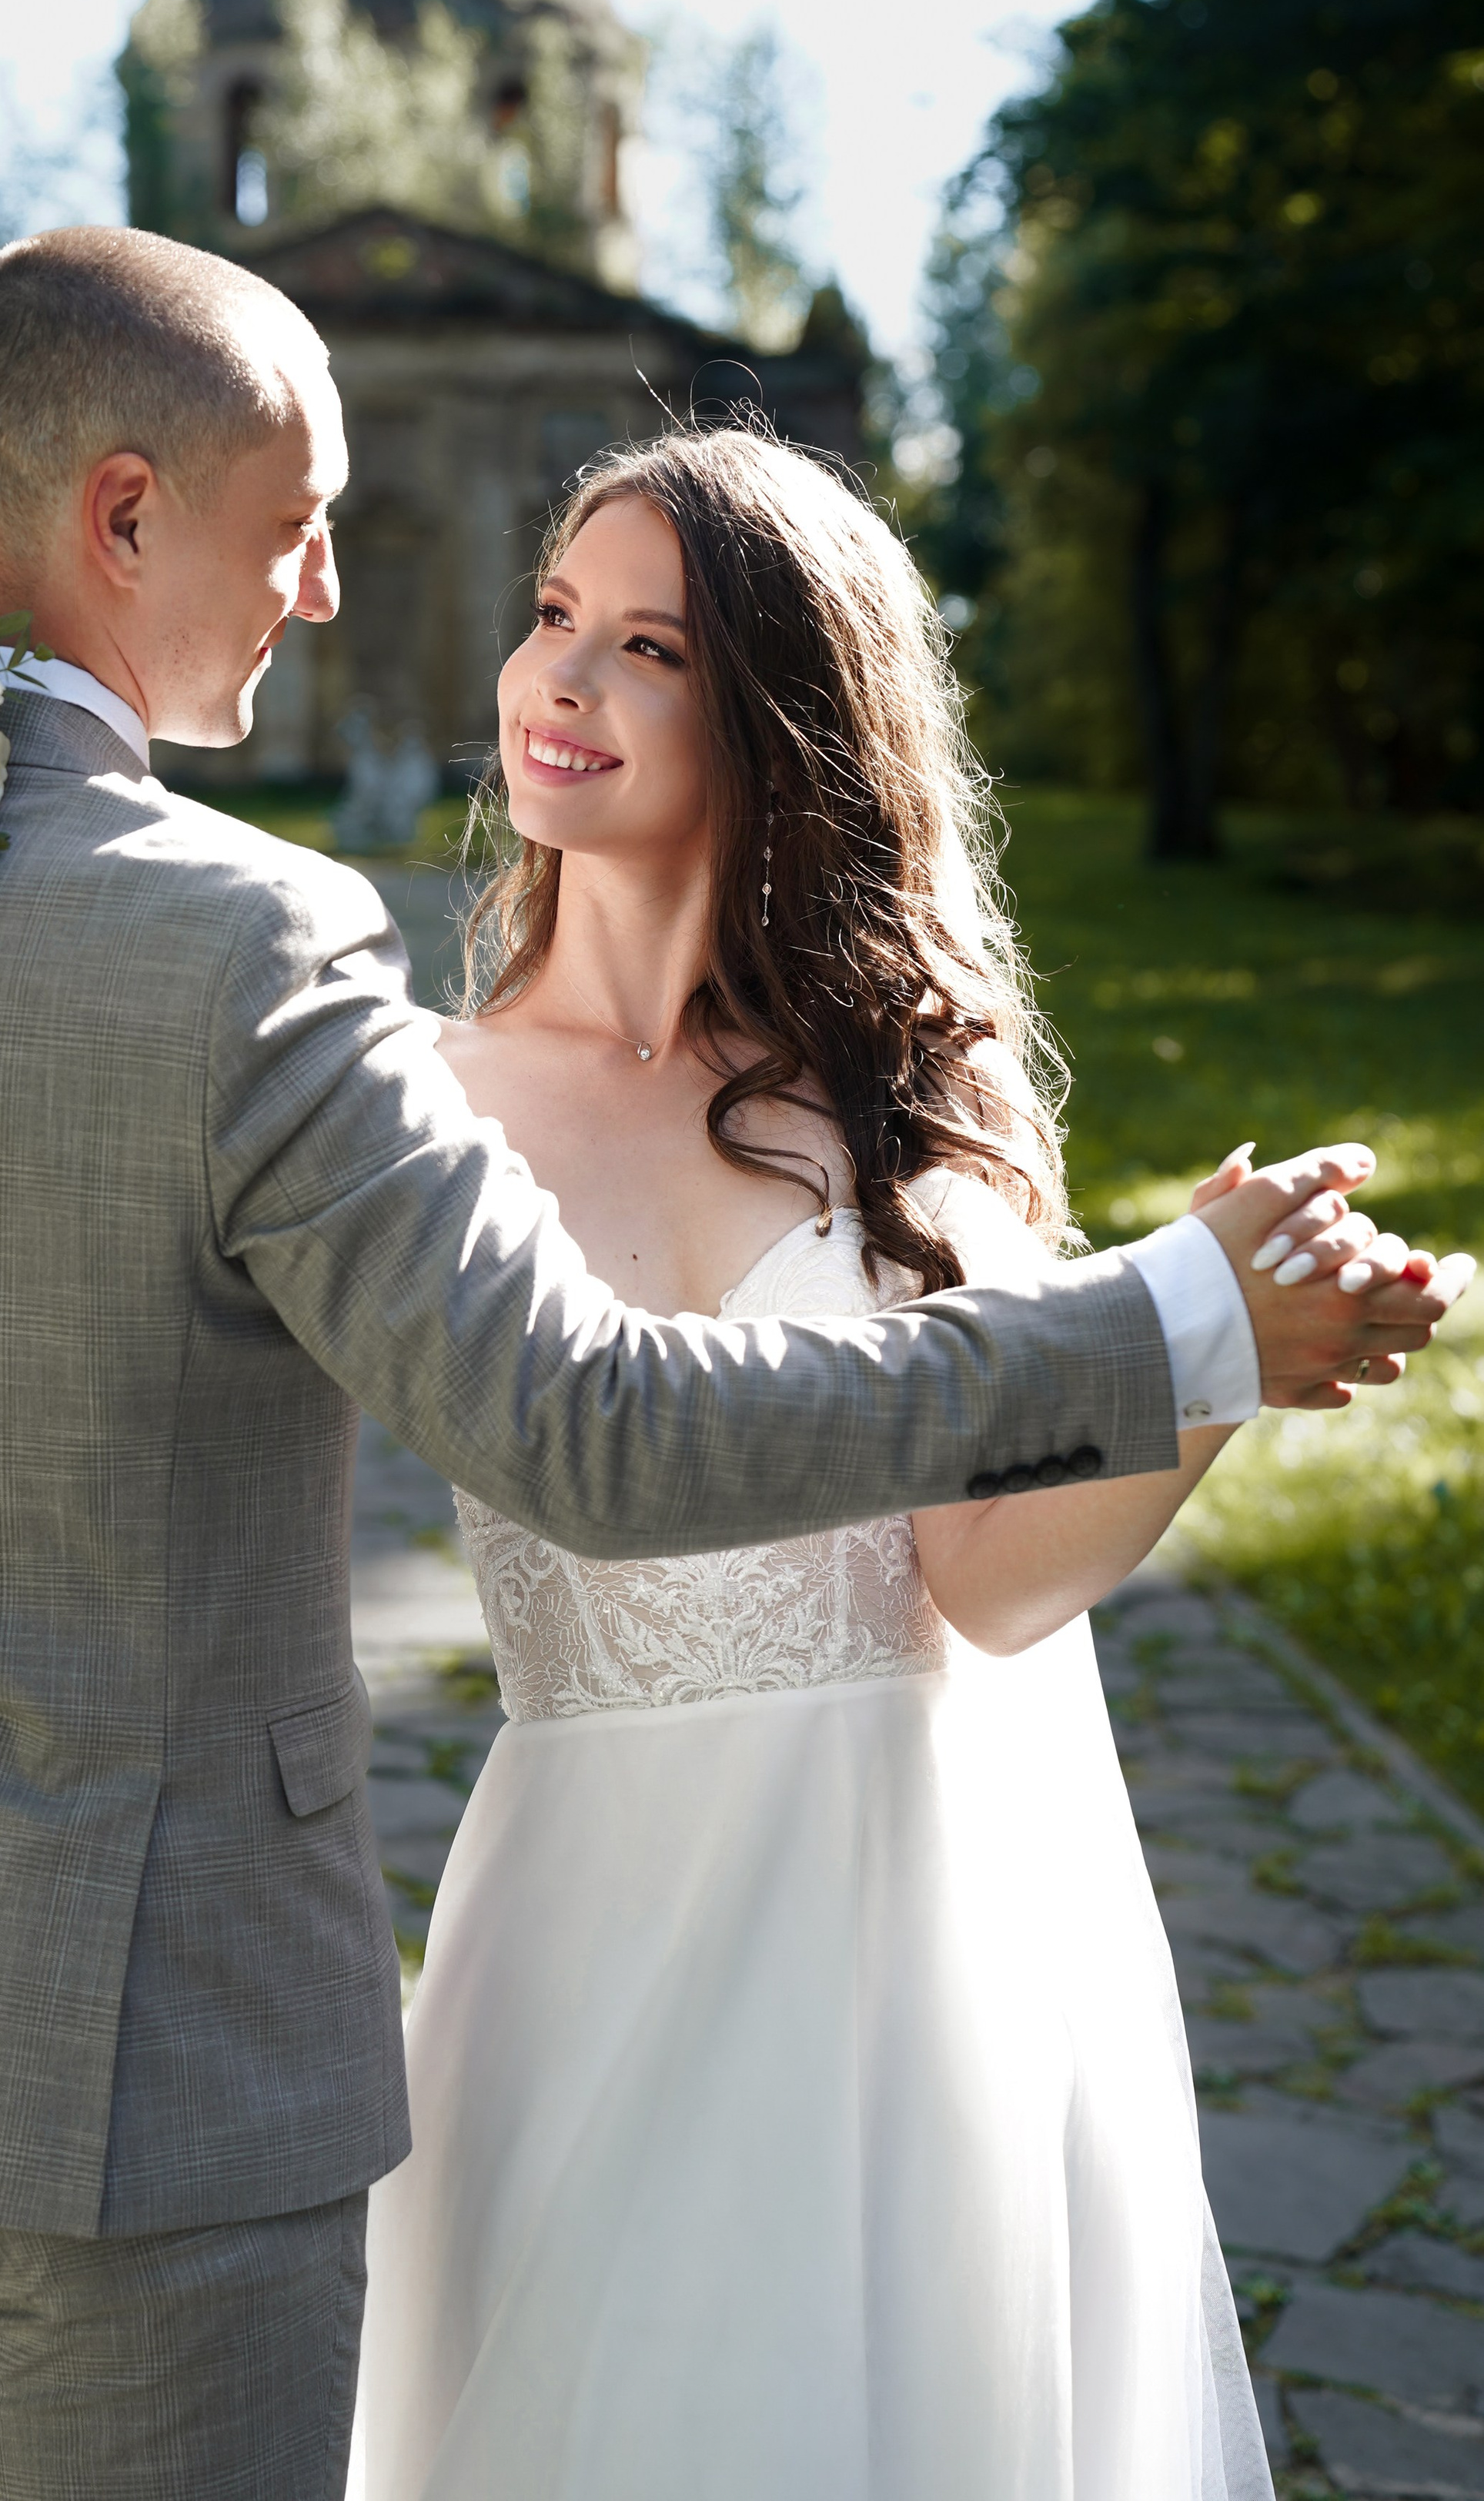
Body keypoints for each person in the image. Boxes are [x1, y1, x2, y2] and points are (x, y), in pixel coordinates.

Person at [0, 232, 1462, 2500]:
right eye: (300, 523)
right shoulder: (255, 953)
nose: (343, 592)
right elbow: (591, 1432)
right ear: (128, 515)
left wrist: (1198, 1363)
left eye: (637, 638)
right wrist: (1170, 1322)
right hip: (154, 2043)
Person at [352, 430, 1469, 2500]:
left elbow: (989, 1586)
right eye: (552, 619)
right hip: (598, 1916)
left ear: (784, 716)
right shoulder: (417, 1101)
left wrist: (1218, 1360)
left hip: (921, 1916)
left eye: (651, 647)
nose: (561, 681)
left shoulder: (917, 1090)